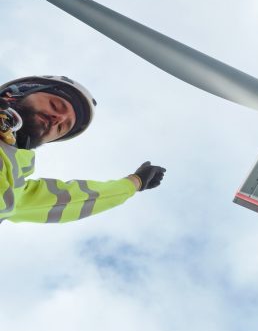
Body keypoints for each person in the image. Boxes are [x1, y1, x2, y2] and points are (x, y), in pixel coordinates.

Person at [0, 75, 165, 224]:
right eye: (55, 105)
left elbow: (70, 199)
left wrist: (133, 183)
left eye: (62, 128)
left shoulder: (15, 189)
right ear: (13, 94)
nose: (58, 120)